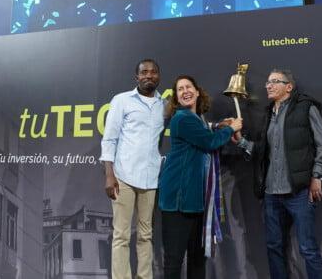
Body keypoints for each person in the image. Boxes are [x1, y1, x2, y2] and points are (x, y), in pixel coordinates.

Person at [235, 69, 322, 279]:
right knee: (273, 247)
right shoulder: (268, 114)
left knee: (308, 248)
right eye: (267, 82)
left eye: (274, 82)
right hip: (272, 194)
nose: (267, 86)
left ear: (288, 87)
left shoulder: (306, 107)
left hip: (299, 192)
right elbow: (263, 152)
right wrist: (242, 142)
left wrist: (317, 176)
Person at [158, 75, 242, 279]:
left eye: (189, 87)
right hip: (177, 201)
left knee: (197, 258)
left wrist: (219, 126)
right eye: (180, 89)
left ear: (197, 92)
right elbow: (208, 142)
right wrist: (232, 127)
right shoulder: (182, 118)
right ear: (176, 98)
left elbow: (205, 131)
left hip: (194, 201)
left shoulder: (197, 119)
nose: (185, 91)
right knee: (174, 259)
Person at [99, 59, 166, 279]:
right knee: (121, 236)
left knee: (146, 235)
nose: (149, 75)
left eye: (153, 72)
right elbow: (109, 139)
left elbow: (187, 120)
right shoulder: (122, 101)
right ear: (136, 77)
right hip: (123, 177)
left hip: (150, 179)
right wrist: (109, 175)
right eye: (144, 72)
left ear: (158, 76)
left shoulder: (164, 106)